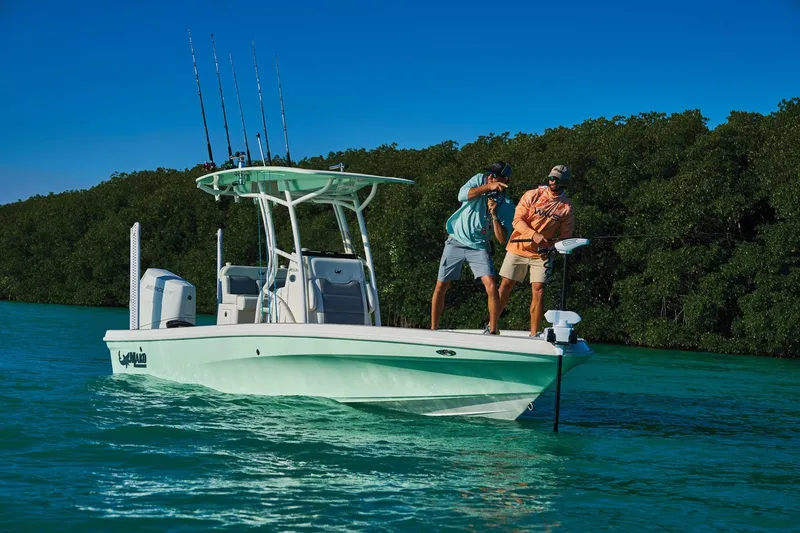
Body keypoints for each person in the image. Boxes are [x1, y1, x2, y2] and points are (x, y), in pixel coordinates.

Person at [431, 161, 515, 334]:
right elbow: (461, 195)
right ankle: (433, 329)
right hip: (455, 241)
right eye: (490, 174)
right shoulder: (479, 180)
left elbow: (501, 239)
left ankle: (493, 329)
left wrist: (493, 214)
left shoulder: (506, 204)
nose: (490, 177)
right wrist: (488, 187)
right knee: (441, 285)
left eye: (495, 175)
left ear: (505, 179)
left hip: (479, 246)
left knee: (491, 286)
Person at [497, 165, 575, 336]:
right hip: (517, 246)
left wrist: (553, 247)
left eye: (555, 179)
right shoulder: (533, 194)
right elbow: (517, 220)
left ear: (564, 182)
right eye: (550, 177)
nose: (551, 180)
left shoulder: (566, 207)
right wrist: (534, 235)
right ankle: (492, 326)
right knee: (505, 285)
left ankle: (533, 333)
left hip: (542, 254)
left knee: (539, 290)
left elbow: (565, 236)